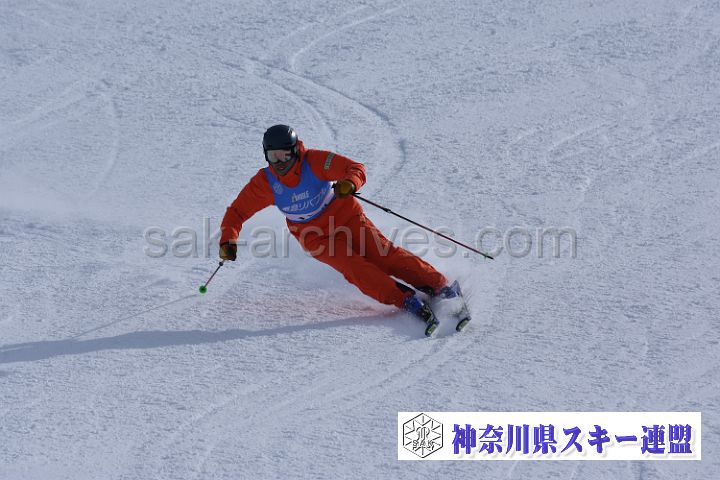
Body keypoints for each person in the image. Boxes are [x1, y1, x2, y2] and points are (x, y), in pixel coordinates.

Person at [219, 124, 459, 330]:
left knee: (382, 254)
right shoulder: (265, 183)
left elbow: (354, 168)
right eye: (273, 157)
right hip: (314, 237)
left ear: (296, 151)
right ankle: (405, 300)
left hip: (346, 217)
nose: (280, 163)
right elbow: (237, 212)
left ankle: (440, 286)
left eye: (285, 156)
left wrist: (349, 184)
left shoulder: (314, 161)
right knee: (355, 268)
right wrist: (228, 240)